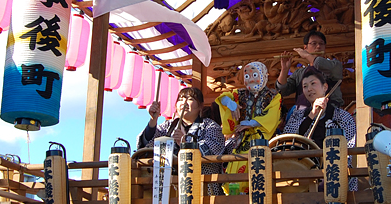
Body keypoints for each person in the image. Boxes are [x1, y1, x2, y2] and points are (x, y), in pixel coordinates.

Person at [138, 86, 225, 196]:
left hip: (201, 188)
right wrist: (153, 120)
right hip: (170, 189)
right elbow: (147, 146)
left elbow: (214, 150)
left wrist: (185, 142)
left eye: (190, 99)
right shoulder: (169, 126)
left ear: (200, 106)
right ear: (176, 105)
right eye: (181, 99)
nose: (184, 102)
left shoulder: (210, 126)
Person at [282, 68, 358, 190]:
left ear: (325, 87)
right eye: (305, 86)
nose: (309, 89)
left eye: (313, 84)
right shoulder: (298, 114)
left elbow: (349, 146)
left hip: (334, 174)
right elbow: (287, 139)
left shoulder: (342, 116)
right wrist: (312, 114)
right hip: (304, 175)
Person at [216, 62, 282, 194]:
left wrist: (251, 123)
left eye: (255, 75)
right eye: (247, 76)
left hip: (264, 141)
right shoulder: (238, 94)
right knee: (236, 171)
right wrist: (230, 103)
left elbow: (272, 117)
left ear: (265, 76)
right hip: (242, 141)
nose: (251, 79)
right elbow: (222, 98)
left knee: (261, 174)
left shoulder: (274, 96)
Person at [276, 30, 344, 107]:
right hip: (304, 115)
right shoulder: (299, 73)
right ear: (305, 47)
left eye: (321, 44)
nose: (318, 46)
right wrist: (284, 70)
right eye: (314, 43)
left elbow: (319, 63)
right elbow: (282, 91)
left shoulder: (335, 66)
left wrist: (307, 55)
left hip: (329, 113)